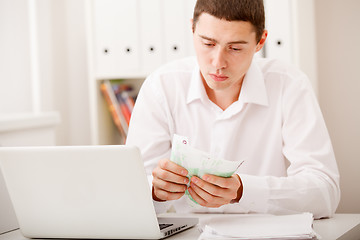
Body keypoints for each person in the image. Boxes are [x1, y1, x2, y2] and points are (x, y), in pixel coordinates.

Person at [126, 0, 340, 219]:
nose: (218, 62)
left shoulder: (288, 85)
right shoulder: (161, 87)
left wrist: (243, 190)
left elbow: (325, 192)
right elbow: (129, 195)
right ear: (192, 29)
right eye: (208, 44)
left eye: (235, 48)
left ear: (260, 42)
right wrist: (155, 191)